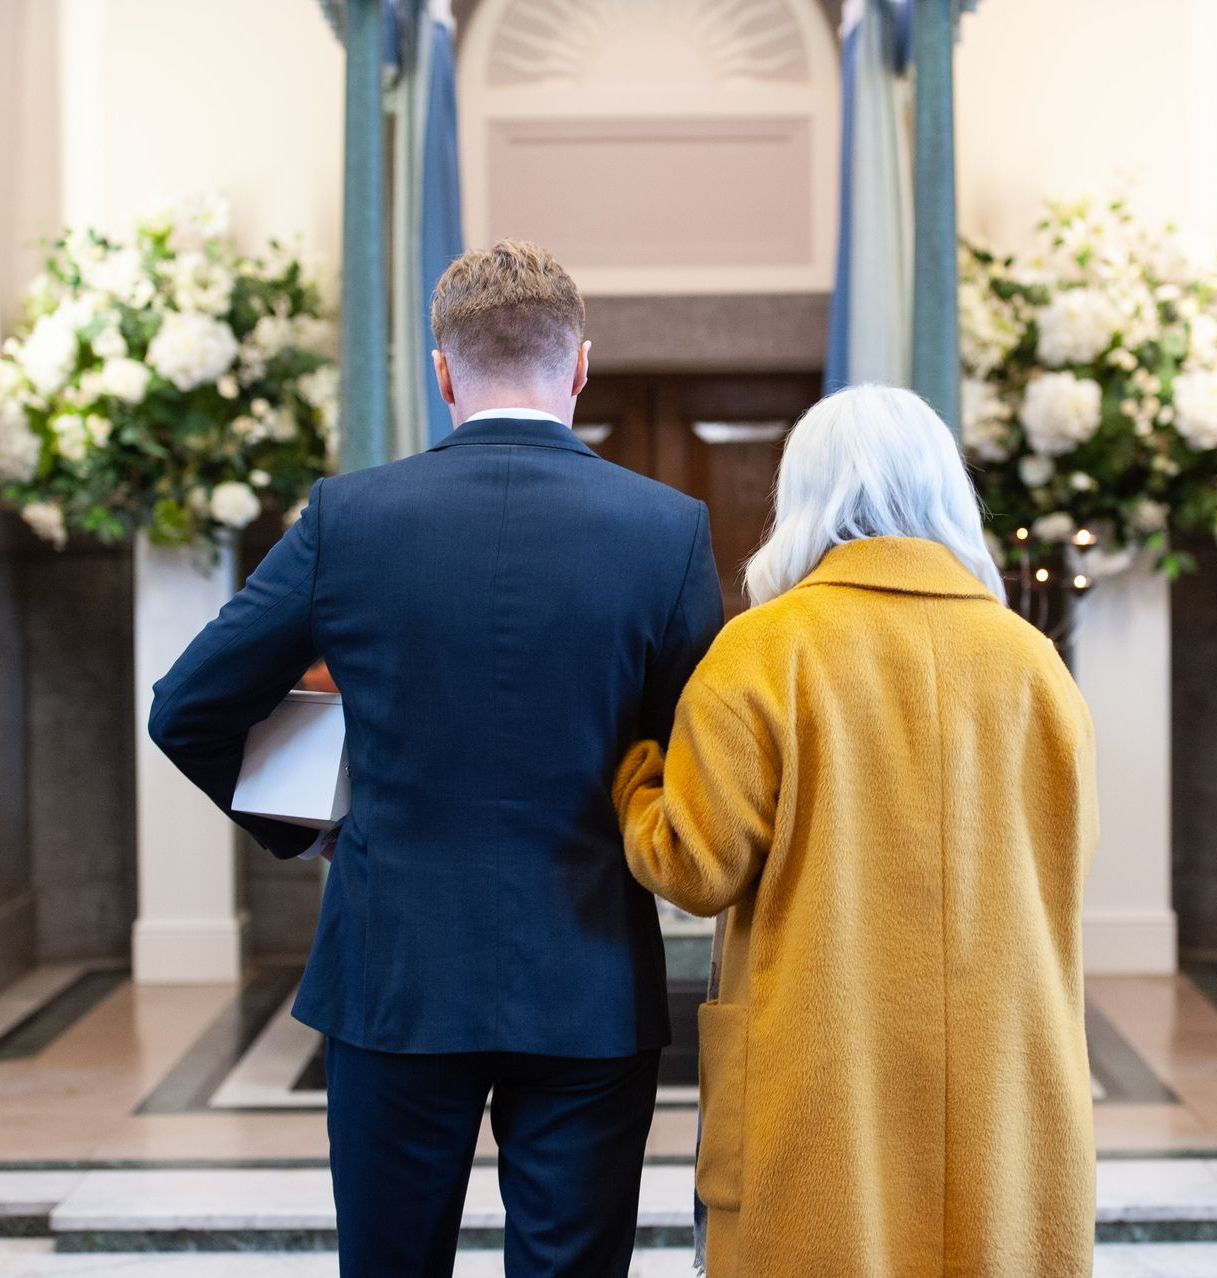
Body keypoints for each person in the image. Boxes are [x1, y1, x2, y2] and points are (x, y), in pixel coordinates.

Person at [148, 240, 723, 1277]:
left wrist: (317, 822)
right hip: (588, 980)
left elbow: (188, 709)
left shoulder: (348, 519)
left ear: (443, 369)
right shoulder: (666, 531)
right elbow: (703, 754)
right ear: (580, 365)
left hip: (392, 973)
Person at [613, 385, 1099, 1277]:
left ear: (803, 497)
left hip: (824, 1084)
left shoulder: (769, 649)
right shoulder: (1033, 662)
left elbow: (692, 864)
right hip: (1006, 1080)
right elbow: (1066, 857)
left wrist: (634, 771)